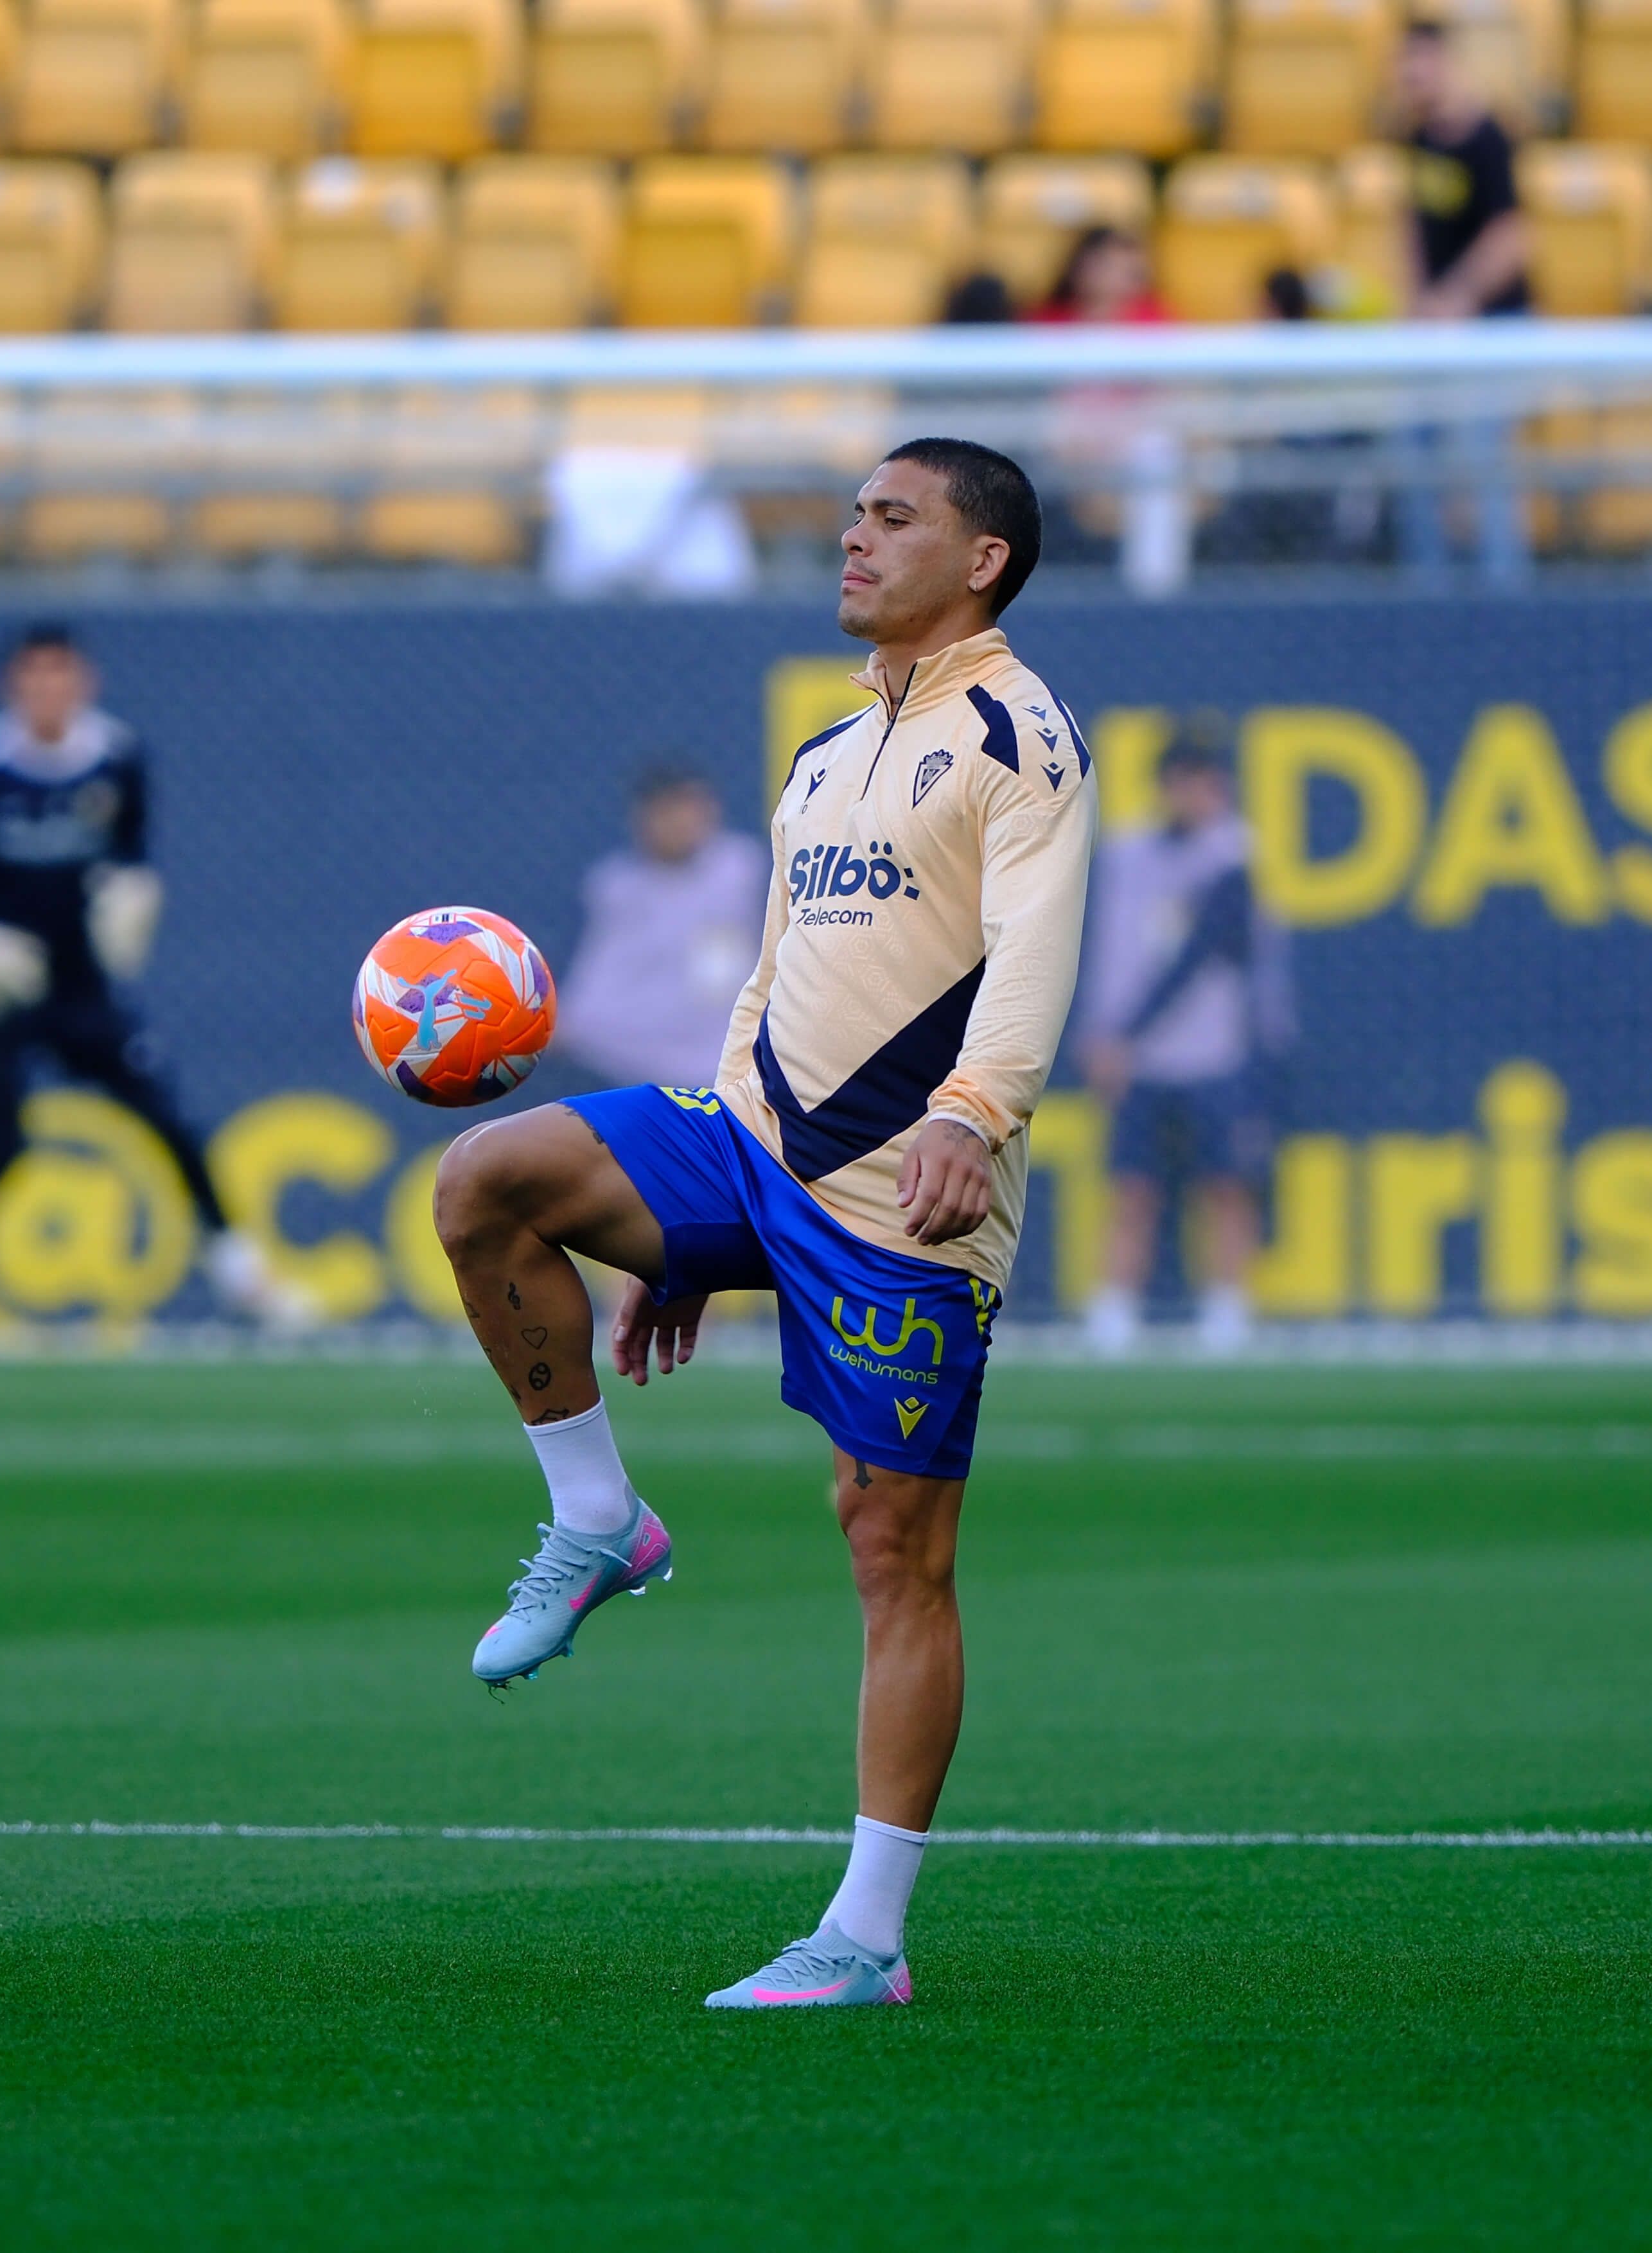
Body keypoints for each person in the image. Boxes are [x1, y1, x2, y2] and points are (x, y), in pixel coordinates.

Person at [430, 438, 1091, 2010]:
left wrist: (970, 1115)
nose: (852, 539)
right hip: (754, 1153)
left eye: (893, 518)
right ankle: (597, 1517)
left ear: (983, 558)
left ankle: (864, 1939)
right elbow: (771, 983)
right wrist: (696, 1229)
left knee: (892, 1549)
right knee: (486, 1184)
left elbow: (1037, 949)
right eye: (854, 514)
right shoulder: (819, 756)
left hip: (904, 1192)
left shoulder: (1021, 730)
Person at [0, 624, 306, 1328]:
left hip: (79, 984)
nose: (48, 692)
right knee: (3, 1140)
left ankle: (241, 1271)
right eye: (34, 678)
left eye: (60, 676)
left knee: (166, 1117)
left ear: (84, 683)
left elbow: (131, 852)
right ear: (13, 687)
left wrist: (134, 897)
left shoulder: (115, 760)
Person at [1077, 723, 1294, 1358]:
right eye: (1194, 782)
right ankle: (1114, 1310)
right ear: (1168, 786)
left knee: (1225, 1184)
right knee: (1131, 1186)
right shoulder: (1123, 857)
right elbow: (1107, 954)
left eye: (1214, 782)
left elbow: (1198, 956)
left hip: (1214, 1053)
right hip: (1136, 1060)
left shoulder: (1232, 855)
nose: (1207, 794)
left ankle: (1227, 1308)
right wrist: (1100, 1034)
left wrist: (1123, 1034)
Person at [1394, 21, 1531, 579]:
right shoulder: (1416, 140)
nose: (1409, 74)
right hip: (1435, 328)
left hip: (1493, 324)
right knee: (1413, 448)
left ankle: (1503, 585)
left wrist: (1456, 298)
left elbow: (1513, 237)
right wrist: (1419, 302)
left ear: (1445, 62)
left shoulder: (1487, 139)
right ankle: (1427, 584)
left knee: (1483, 457)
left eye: (1419, 61)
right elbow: (1413, 226)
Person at [554, 766, 771, 1093]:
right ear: (641, 819)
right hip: (646, 1073)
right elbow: (593, 996)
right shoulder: (617, 888)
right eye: (666, 811)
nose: (680, 821)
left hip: (738, 1067)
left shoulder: (744, 871)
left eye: (689, 806)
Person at [1032, 225, 1168, 324]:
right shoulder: (1046, 323)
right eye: (1106, 265)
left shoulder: (1156, 322)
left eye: (1129, 271)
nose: (1115, 278)